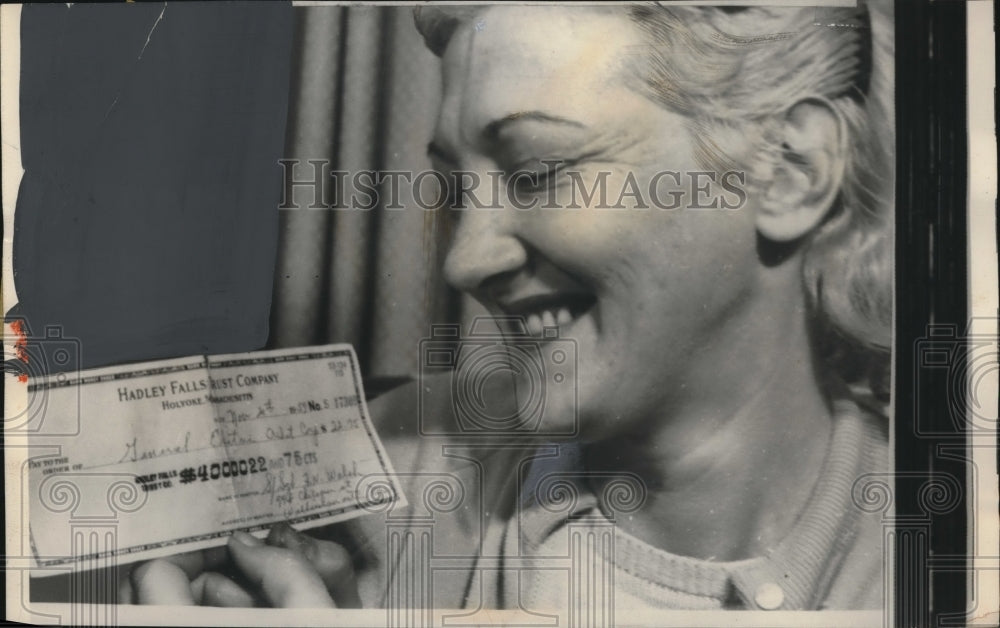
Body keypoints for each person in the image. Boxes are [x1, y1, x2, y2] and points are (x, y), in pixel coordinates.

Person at [124, 1, 893, 613]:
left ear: (790, 171)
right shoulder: (384, 462)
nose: (465, 260)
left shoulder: (943, 556)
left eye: (537, 171)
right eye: (457, 191)